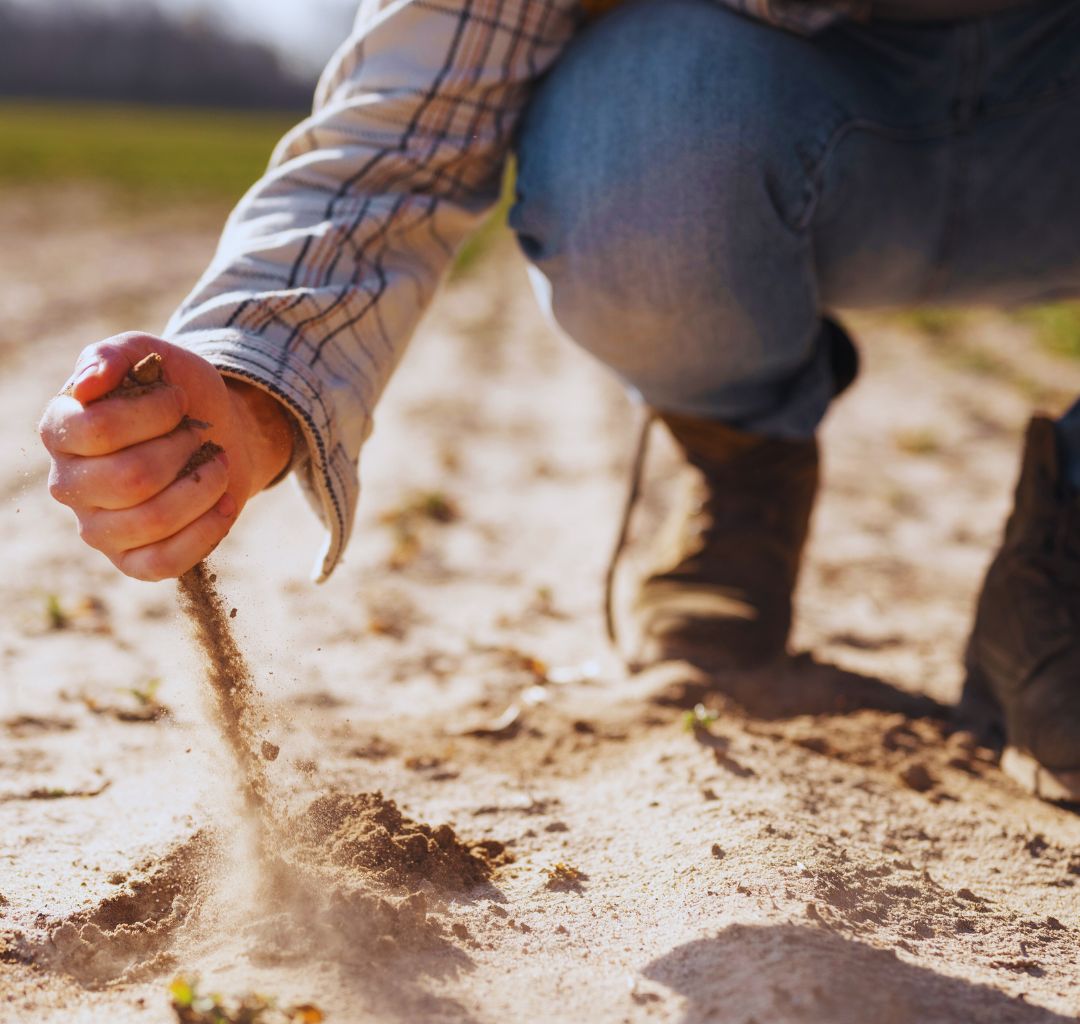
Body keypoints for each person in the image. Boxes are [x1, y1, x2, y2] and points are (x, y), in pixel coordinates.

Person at [38, 0, 1080, 802]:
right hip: (796, 118)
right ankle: (739, 450)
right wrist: (254, 379)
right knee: (644, 121)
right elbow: (409, 129)